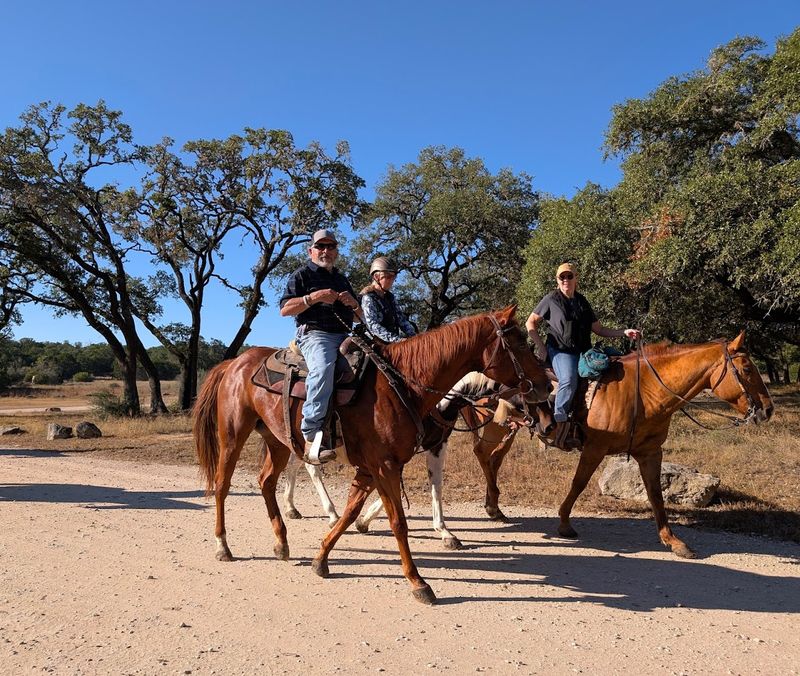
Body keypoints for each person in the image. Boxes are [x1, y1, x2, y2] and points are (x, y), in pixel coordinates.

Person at [526, 262, 641, 448]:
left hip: (584, 351)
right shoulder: (550, 300)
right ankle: (560, 423)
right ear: (557, 280)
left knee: (617, 364)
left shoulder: (582, 301)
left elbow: (599, 329)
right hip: (560, 350)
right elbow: (530, 323)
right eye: (562, 277)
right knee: (569, 379)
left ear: (575, 279)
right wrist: (540, 346)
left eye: (569, 276)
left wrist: (624, 332)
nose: (566, 280)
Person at [279, 228, 361, 463]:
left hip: (346, 334)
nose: (326, 251)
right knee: (323, 368)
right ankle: (311, 436)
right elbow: (284, 309)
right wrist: (312, 298)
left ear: (336, 251)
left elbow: (359, 317)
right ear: (311, 251)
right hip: (316, 334)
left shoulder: (341, 278)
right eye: (320, 247)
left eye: (330, 247)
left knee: (377, 363)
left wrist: (353, 303)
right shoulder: (302, 275)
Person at [360, 256, 417, 343]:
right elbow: (373, 325)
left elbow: (402, 320)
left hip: (392, 343)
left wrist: (415, 338)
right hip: (375, 343)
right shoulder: (368, 298)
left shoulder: (391, 298)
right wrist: (397, 340)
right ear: (376, 276)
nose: (392, 280)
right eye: (388, 276)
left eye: (394, 277)